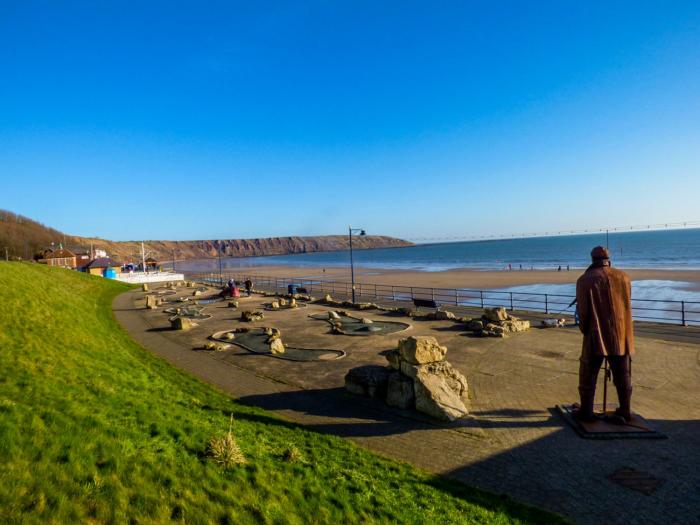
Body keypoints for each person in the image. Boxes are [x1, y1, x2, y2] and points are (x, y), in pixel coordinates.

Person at [574, 246, 634, 422]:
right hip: (622, 334)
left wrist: (585, 330)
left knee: (588, 373)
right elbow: (626, 305)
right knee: (623, 374)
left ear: (592, 259)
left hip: (595, 334)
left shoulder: (585, 280)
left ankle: (587, 411)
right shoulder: (624, 277)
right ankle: (625, 409)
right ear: (609, 259)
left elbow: (583, 312)